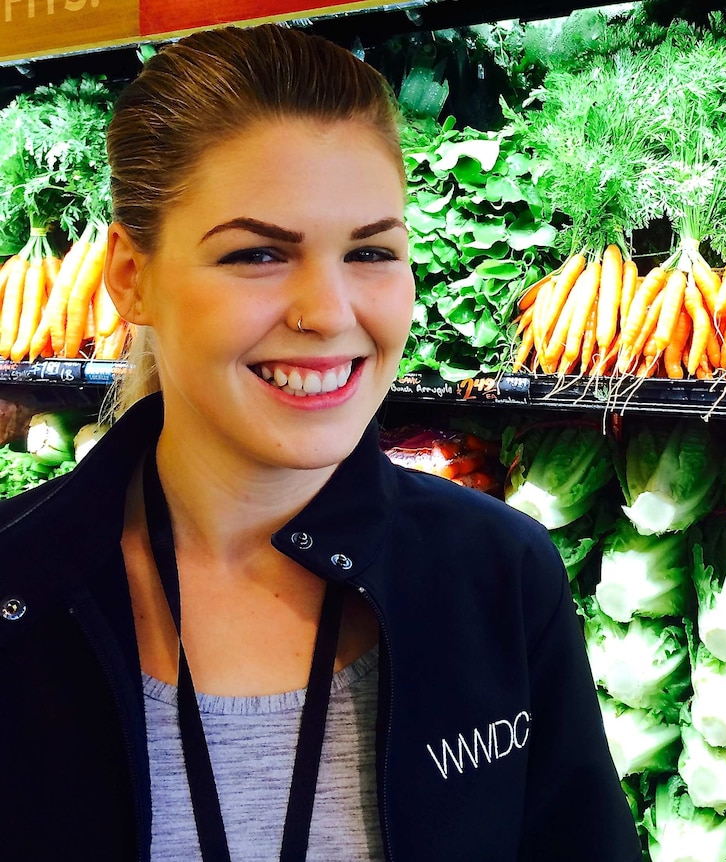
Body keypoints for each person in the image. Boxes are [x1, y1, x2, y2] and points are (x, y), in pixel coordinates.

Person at [0, 24, 641, 862]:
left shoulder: (498, 575)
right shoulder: (19, 585)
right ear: (132, 278)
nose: (331, 313)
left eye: (372, 250)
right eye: (258, 253)